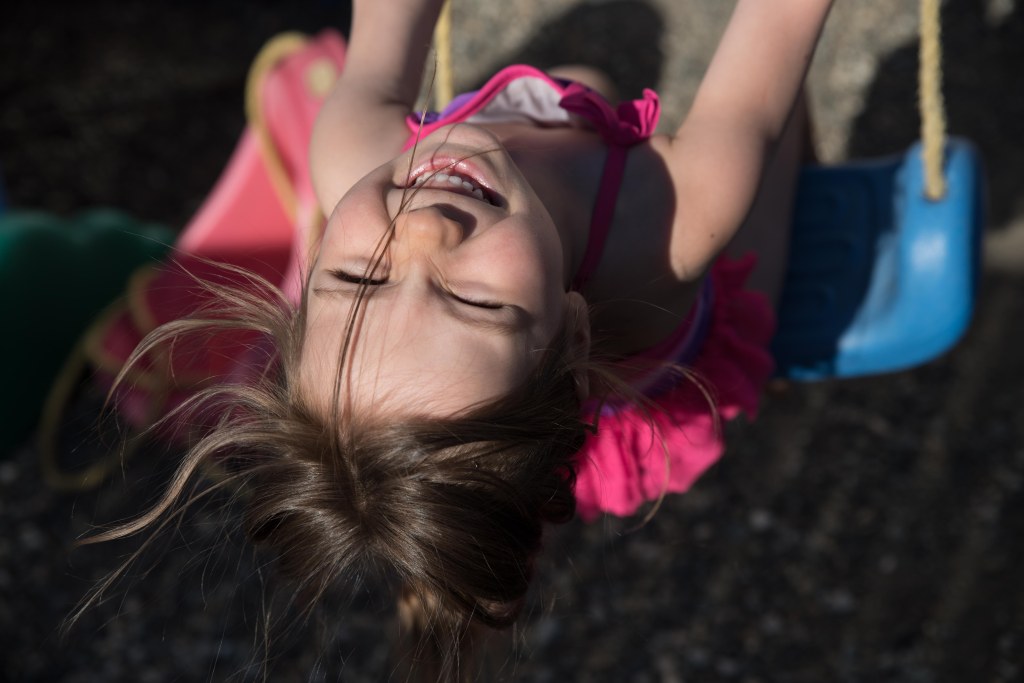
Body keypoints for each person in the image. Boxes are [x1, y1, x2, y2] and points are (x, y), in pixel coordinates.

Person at [83, 0, 834, 679]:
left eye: (357, 277)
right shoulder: (678, 213)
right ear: (574, 332)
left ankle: (466, 520)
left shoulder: (353, 153)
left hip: (524, 349)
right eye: (475, 301)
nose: (422, 229)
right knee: (769, 131)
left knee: (580, 82)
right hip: (671, 355)